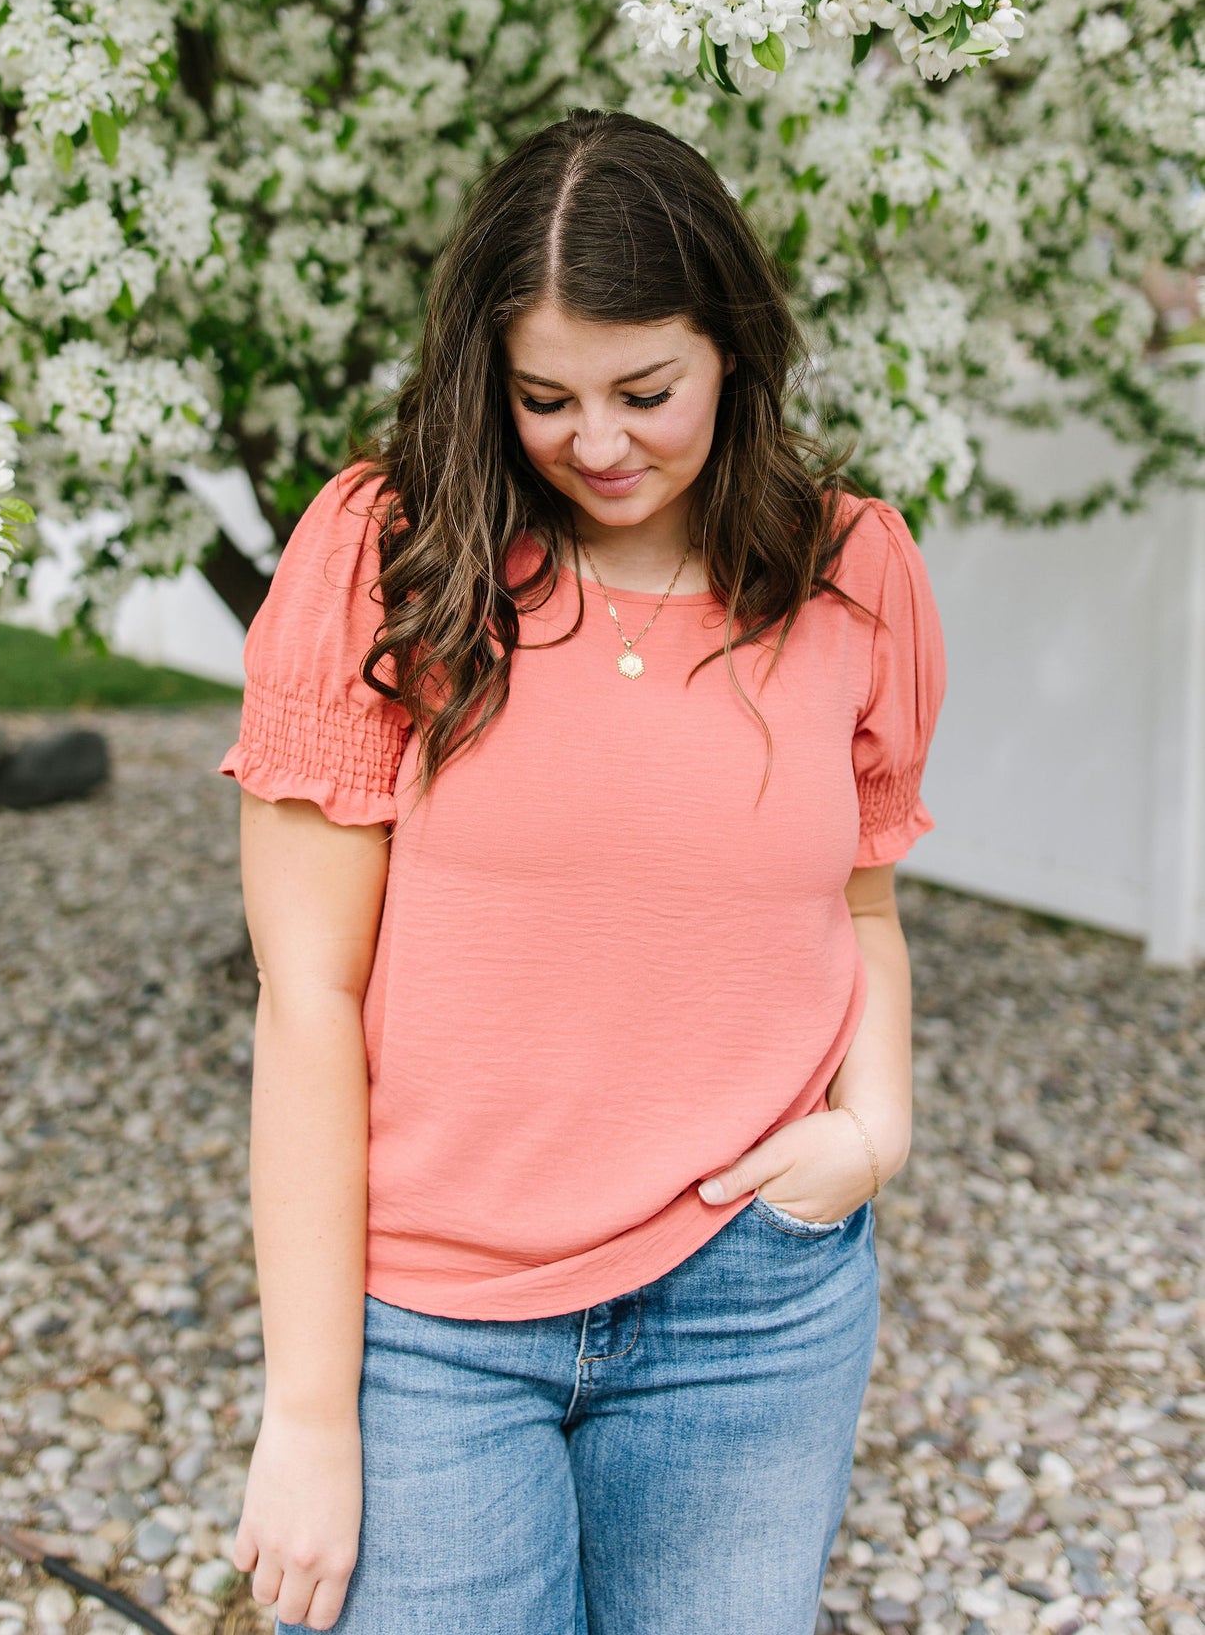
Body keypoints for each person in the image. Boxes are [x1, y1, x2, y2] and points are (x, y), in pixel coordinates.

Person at [220, 108, 945, 1635]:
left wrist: (873, 1131)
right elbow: (307, 1000)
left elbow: (861, 897)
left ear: (732, 352)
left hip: (753, 1306)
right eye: (543, 396)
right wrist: (308, 1414)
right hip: (433, 1325)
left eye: (645, 391)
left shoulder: (850, 571)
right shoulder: (389, 555)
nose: (597, 443)